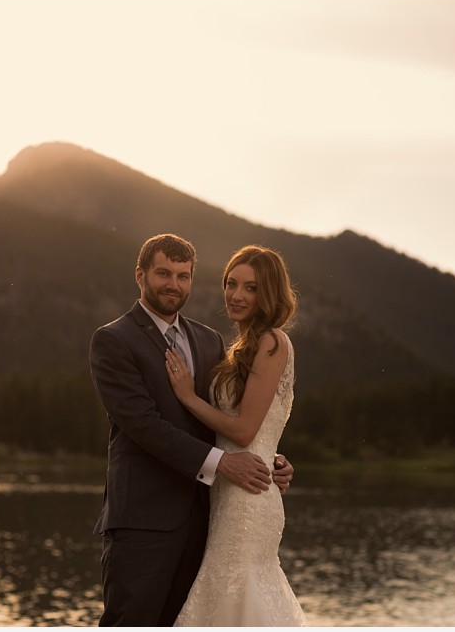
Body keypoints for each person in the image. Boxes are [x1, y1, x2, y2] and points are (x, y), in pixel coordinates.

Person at [88, 234, 295, 626]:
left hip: (209, 519)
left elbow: (230, 416)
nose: (173, 284)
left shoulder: (208, 340)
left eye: (183, 276)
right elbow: (143, 425)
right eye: (164, 273)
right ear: (140, 275)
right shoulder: (113, 340)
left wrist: (271, 458)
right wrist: (224, 464)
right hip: (143, 520)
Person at [165, 244, 307, 626]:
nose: (236, 295)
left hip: (249, 498)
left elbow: (245, 431)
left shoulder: (272, 341)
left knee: (236, 594)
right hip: (231, 489)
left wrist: (187, 396)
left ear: (270, 293)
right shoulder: (242, 348)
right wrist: (276, 458)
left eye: (251, 288)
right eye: (231, 284)